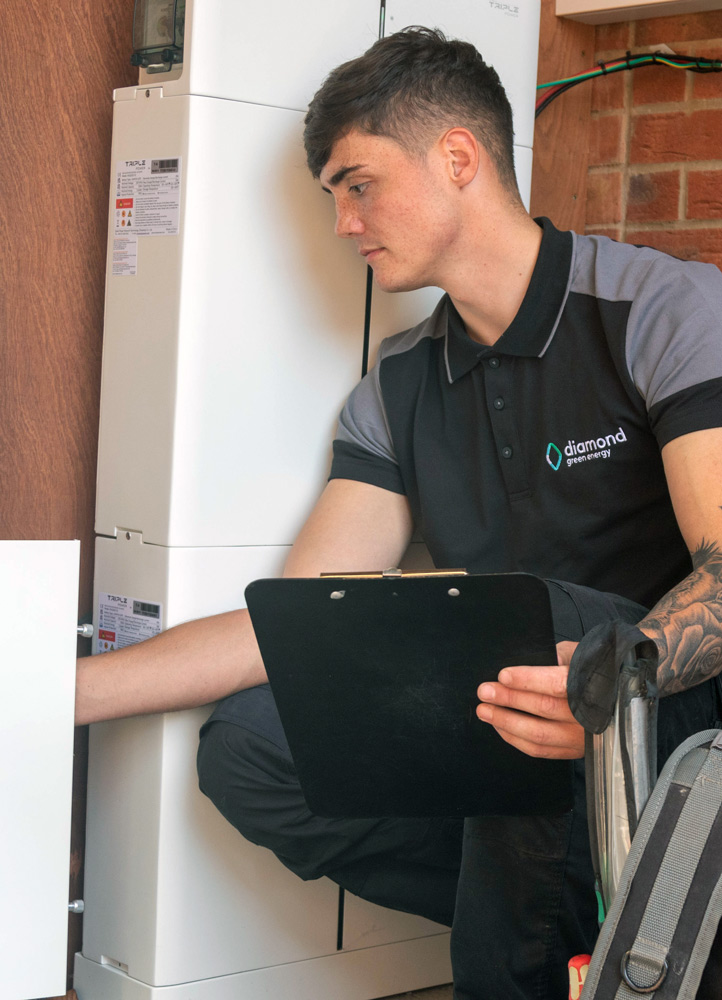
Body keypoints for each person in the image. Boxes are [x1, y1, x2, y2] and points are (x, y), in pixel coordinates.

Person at [76, 27, 722, 1000]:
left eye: (355, 183)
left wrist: (609, 685)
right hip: (517, 738)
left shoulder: (662, 311)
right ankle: (596, 920)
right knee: (253, 745)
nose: (342, 222)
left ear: (456, 157)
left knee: (519, 626)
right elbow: (297, 624)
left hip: (668, 720)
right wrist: (52, 692)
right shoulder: (399, 383)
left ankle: (556, 939)